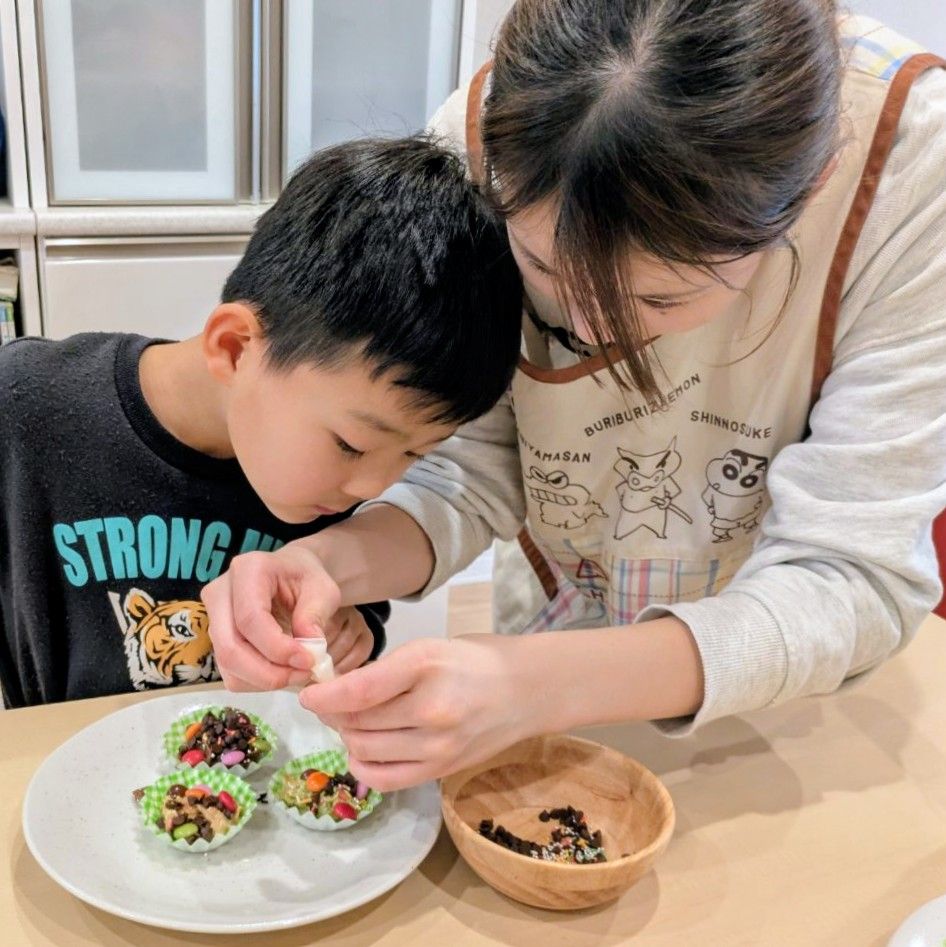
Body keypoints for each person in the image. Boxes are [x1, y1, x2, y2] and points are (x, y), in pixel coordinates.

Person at [203, 1, 946, 791]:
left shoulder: (912, 171)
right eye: (544, 270)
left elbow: (849, 575)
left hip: (791, 702)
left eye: (661, 298)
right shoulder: (489, 138)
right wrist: (325, 563)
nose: (590, 330)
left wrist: (531, 683)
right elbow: (472, 464)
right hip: (554, 633)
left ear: (815, 185)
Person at [0, 136, 522, 707]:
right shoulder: (25, 405)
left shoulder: (333, 476)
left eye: (416, 454)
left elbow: (355, 612)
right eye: (351, 445)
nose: (375, 486)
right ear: (234, 347)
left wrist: (349, 631)